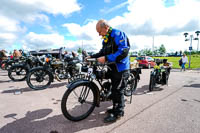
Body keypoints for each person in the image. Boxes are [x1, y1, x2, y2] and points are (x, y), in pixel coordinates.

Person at [86, 19, 130, 123]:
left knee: (118, 91)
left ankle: (118, 112)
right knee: (106, 81)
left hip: (121, 68)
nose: (99, 34)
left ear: (106, 27)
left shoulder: (118, 34)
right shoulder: (105, 39)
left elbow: (123, 51)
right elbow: (102, 52)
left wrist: (106, 58)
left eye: (99, 31)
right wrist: (91, 56)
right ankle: (114, 106)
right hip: (112, 67)